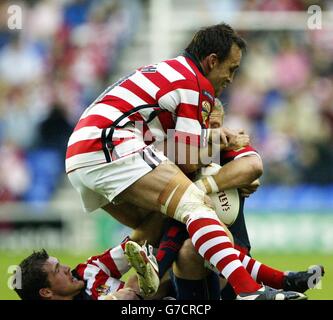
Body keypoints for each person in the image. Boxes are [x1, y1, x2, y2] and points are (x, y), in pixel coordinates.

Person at [65, 22, 305, 300]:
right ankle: (249, 291)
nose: (231, 79)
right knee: (194, 204)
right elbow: (188, 162)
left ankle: (108, 285)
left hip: (81, 155)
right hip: (108, 144)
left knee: (163, 222)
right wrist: (215, 150)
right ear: (212, 61)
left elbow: (177, 153)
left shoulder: (170, 71)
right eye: (231, 68)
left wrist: (211, 141)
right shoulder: (194, 82)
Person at [14, 239, 160, 300]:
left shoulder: (86, 272)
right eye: (58, 270)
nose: (67, 268)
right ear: (46, 292)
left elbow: (133, 247)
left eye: (60, 264)